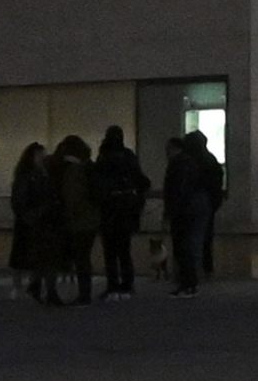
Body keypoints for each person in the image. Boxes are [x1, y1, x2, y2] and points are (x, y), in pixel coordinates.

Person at [163, 130, 224, 294]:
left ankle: (187, 277)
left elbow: (177, 187)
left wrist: (171, 209)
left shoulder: (183, 161)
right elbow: (216, 185)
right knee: (201, 239)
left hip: (187, 205)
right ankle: (202, 270)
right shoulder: (210, 160)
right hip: (205, 204)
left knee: (186, 242)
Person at [95, 127, 148, 298]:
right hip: (126, 209)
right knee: (124, 250)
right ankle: (127, 285)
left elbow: (98, 183)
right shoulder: (128, 156)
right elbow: (141, 181)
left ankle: (113, 286)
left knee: (110, 251)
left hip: (109, 209)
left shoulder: (103, 157)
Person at [51, 134, 101, 307]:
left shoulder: (73, 171)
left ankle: (83, 295)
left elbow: (73, 197)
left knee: (80, 258)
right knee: (84, 257)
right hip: (92, 218)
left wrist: (68, 215)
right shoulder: (90, 167)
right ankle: (85, 293)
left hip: (79, 220)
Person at [9, 141, 58, 306]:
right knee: (41, 257)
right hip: (34, 223)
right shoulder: (29, 176)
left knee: (41, 258)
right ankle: (40, 288)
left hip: (40, 222)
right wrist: (33, 215)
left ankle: (37, 286)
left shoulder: (43, 174)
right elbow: (20, 202)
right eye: (39, 155)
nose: (42, 158)